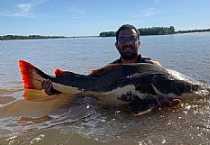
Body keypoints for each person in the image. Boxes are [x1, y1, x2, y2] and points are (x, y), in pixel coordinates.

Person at [42, 24, 180, 114]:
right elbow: (83, 93)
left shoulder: (154, 66)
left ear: (139, 42)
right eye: (122, 39)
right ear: (116, 45)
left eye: (131, 38)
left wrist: (168, 105)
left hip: (147, 121)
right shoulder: (108, 71)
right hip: (117, 117)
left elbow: (170, 94)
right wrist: (55, 90)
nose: (127, 43)